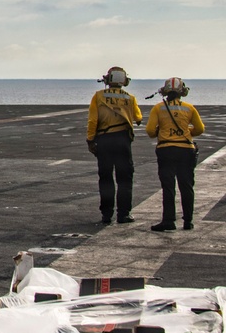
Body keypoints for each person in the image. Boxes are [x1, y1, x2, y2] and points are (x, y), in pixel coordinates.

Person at [85, 66, 143, 225]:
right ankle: (123, 214)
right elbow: (138, 117)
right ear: (124, 81)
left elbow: (92, 121)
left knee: (105, 178)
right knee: (125, 178)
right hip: (122, 140)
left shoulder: (98, 96)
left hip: (104, 140)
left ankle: (106, 214)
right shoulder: (130, 98)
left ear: (107, 80)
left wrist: (90, 140)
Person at [146, 77, 205, 232]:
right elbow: (200, 129)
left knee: (168, 186)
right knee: (186, 186)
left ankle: (169, 221)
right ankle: (188, 221)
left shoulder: (159, 108)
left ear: (165, 91)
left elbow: (151, 131)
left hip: (166, 150)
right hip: (186, 150)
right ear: (182, 92)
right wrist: (186, 131)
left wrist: (162, 131)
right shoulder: (189, 108)